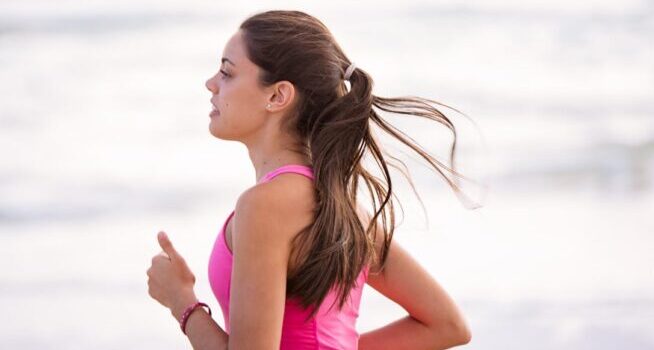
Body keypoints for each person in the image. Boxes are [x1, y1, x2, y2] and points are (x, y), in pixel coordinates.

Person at [146, 10, 475, 349]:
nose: (211, 83)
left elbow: (449, 326)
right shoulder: (344, 208)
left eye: (227, 72)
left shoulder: (265, 206)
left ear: (277, 96)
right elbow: (446, 324)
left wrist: (181, 301)